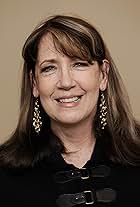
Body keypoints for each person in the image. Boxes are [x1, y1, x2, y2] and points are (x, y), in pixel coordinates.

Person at [0, 14, 140, 207]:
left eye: (79, 64)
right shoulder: (4, 174)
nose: (66, 82)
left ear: (103, 75)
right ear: (34, 83)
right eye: (49, 68)